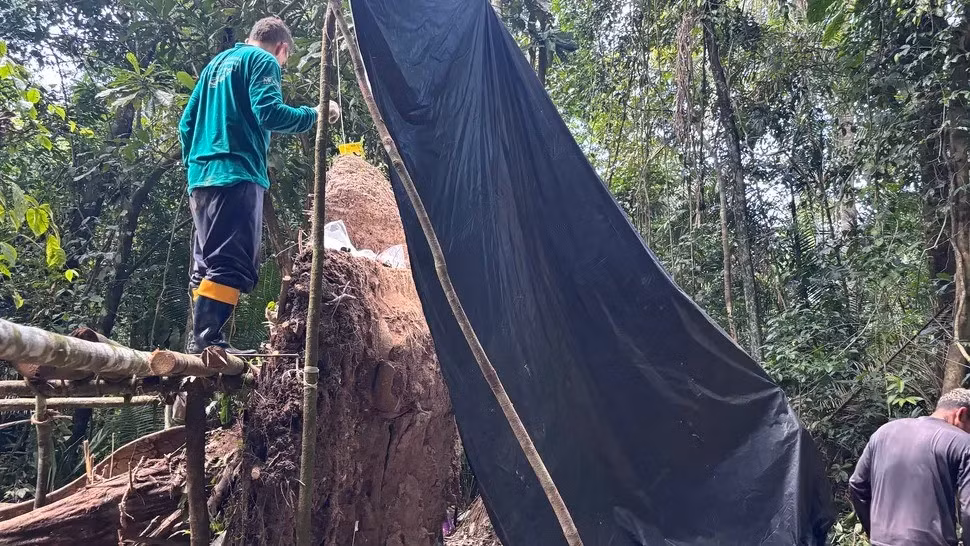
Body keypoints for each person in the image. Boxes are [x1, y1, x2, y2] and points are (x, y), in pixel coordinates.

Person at [179, 16, 339, 353]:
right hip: (236, 173)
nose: (281, 66)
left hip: (201, 178)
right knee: (231, 261)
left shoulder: (216, 65)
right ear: (281, 48)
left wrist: (195, 167)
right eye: (285, 60)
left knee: (207, 263)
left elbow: (186, 125)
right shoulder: (262, 60)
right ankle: (208, 342)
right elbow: (269, 113)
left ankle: (202, 340)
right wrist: (316, 113)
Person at [849, 388, 970, 545]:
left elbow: (857, 485)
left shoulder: (883, 432)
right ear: (961, 414)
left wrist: (874, 532)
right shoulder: (963, 443)